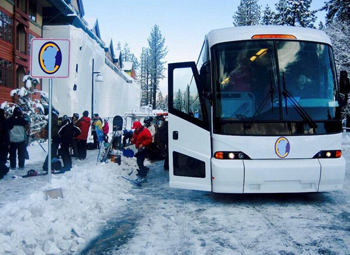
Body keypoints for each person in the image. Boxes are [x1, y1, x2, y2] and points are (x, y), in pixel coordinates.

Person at [0, 108, 13, 179]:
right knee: (2, 158)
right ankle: (3, 171)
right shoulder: (5, 121)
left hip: (3, 142)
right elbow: (11, 126)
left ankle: (4, 170)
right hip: (4, 142)